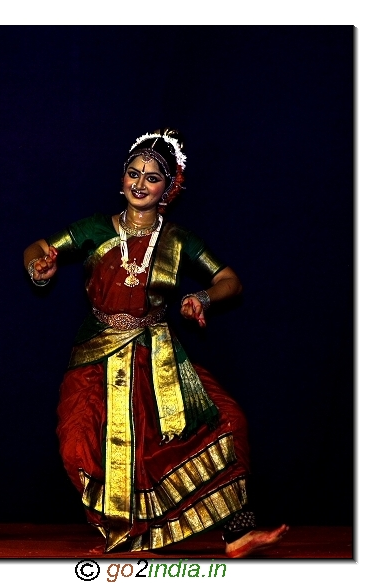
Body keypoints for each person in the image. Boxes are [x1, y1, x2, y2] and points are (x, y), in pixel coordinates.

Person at [22, 129, 288, 558]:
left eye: (152, 177)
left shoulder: (179, 240)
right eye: (133, 173)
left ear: (170, 188)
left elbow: (229, 280)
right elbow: (38, 246)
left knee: (225, 420)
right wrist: (39, 265)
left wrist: (203, 297)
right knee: (77, 444)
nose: (140, 184)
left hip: (156, 355)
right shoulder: (94, 229)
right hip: (97, 351)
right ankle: (124, 530)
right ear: (122, 178)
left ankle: (236, 533)